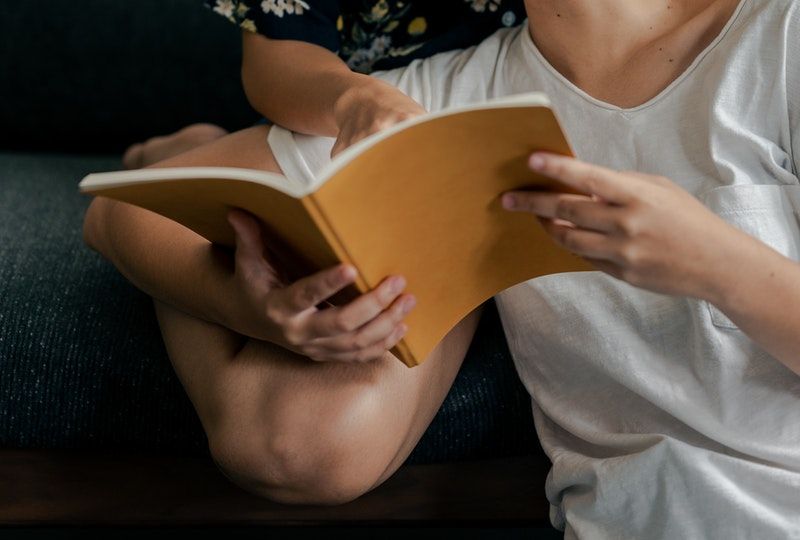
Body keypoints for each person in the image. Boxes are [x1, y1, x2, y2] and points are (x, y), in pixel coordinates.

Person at [83, 0, 800, 536]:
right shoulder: (449, 105)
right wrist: (247, 307)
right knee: (290, 442)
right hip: (622, 522)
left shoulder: (779, 38)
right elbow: (119, 215)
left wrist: (718, 264)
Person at [121, 0, 526, 168]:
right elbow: (280, 64)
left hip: (484, 140)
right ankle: (179, 154)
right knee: (224, 205)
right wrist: (355, 99)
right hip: (328, 119)